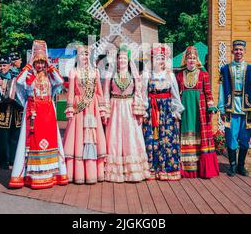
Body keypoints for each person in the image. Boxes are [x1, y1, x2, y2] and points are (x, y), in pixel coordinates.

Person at [9, 40, 68, 189]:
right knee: (33, 142)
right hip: (33, 112)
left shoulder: (49, 75)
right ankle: (32, 176)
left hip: (48, 112)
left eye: (42, 62)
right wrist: (29, 64)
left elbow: (60, 81)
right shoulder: (29, 75)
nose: (40, 65)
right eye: (38, 62)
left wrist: (50, 66)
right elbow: (19, 81)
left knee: (50, 141)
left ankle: (51, 175)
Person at [103, 45, 150, 183]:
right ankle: (115, 172)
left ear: (128, 60)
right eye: (119, 58)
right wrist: (105, 112)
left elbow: (139, 93)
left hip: (129, 109)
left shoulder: (134, 76)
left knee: (131, 137)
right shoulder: (110, 75)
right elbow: (106, 94)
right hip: (115, 108)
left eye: (124, 58)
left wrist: (139, 111)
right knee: (114, 138)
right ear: (116, 60)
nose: (121, 60)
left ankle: (133, 171)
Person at [63, 44, 107, 184]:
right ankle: (78, 174)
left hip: (92, 108)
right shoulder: (73, 72)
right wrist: (70, 108)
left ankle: (93, 173)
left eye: (87, 54)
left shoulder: (95, 72)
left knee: (92, 138)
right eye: (82, 54)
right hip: (78, 107)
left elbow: (99, 93)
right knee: (77, 139)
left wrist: (102, 109)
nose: (85, 57)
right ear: (77, 56)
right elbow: (70, 93)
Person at [176, 46, 219, 179]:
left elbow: (208, 92)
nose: (192, 60)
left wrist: (211, 107)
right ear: (185, 59)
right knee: (185, 135)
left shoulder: (203, 74)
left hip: (199, 109)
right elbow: (176, 94)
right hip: (185, 109)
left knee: (200, 135)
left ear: (197, 59)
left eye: (194, 58)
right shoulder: (179, 75)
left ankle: (202, 169)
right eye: (189, 58)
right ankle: (188, 169)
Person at [142, 45, 184, 181]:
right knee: (151, 138)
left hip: (166, 110)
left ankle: (167, 169)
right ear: (152, 60)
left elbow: (175, 95)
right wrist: (144, 111)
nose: (160, 61)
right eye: (157, 58)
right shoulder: (147, 75)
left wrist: (176, 112)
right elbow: (143, 94)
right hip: (152, 109)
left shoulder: (170, 75)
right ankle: (152, 169)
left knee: (166, 138)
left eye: (162, 58)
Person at [218, 40, 251, 177]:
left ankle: (241, 165)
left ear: (244, 51)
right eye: (236, 49)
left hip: (246, 109)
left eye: (241, 49)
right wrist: (222, 108)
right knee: (231, 137)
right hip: (231, 107)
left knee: (245, 137)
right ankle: (232, 165)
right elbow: (222, 88)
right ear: (232, 51)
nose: (239, 52)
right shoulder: (225, 69)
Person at [0, 56, 22, 169]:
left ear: (9, 66)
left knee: (14, 137)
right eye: (0, 65)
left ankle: (13, 160)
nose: (2, 68)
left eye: (4, 65)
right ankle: (4, 162)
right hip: (1, 113)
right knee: (2, 139)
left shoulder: (16, 77)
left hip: (15, 112)